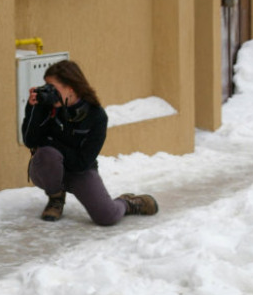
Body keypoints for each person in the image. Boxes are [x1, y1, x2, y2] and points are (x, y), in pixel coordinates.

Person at [21, 59, 158, 225]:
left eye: (52, 87)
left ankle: (127, 203)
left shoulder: (96, 116)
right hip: (48, 171)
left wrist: (50, 142)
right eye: (46, 85)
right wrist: (33, 109)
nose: (48, 91)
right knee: (47, 154)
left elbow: (82, 162)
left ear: (70, 88)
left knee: (107, 217)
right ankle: (56, 198)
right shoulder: (47, 107)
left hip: (79, 170)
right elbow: (30, 141)